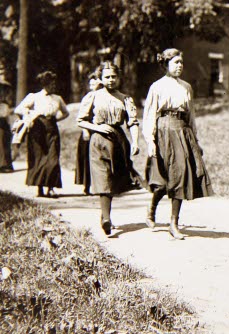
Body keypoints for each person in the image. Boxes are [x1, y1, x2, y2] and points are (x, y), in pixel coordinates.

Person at [143, 48, 213, 240]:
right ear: (165, 64)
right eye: (175, 62)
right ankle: (152, 208)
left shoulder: (186, 87)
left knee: (180, 174)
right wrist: (150, 141)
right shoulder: (157, 87)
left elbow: (191, 115)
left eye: (181, 62)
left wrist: (195, 141)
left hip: (182, 131)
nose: (180, 66)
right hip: (163, 131)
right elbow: (149, 115)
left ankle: (173, 223)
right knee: (163, 182)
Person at [77, 61, 140, 235]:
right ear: (100, 78)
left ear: (119, 78)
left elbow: (132, 122)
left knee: (113, 179)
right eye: (107, 77)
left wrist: (135, 142)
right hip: (98, 141)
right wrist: (97, 128)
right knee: (102, 178)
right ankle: (106, 218)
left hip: (118, 141)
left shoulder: (125, 98)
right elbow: (80, 120)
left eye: (114, 76)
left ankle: (105, 214)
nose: (111, 80)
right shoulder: (93, 96)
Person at [14, 71, 69, 197]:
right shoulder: (34, 96)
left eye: (54, 84)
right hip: (37, 130)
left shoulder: (57, 98)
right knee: (39, 158)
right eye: (50, 84)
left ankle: (51, 188)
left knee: (53, 158)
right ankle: (39, 188)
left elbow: (66, 113)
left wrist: (55, 120)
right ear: (44, 84)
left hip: (52, 129)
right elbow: (19, 109)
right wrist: (28, 114)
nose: (53, 86)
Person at [75, 72, 102, 194]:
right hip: (89, 129)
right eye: (90, 83)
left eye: (94, 82)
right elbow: (81, 117)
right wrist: (85, 130)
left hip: (101, 129)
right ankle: (87, 186)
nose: (92, 85)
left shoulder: (104, 95)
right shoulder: (89, 97)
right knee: (87, 159)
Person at [0, 61, 14, 173]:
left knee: (4, 137)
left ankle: (5, 164)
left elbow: (8, 101)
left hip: (3, 112)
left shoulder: (7, 86)